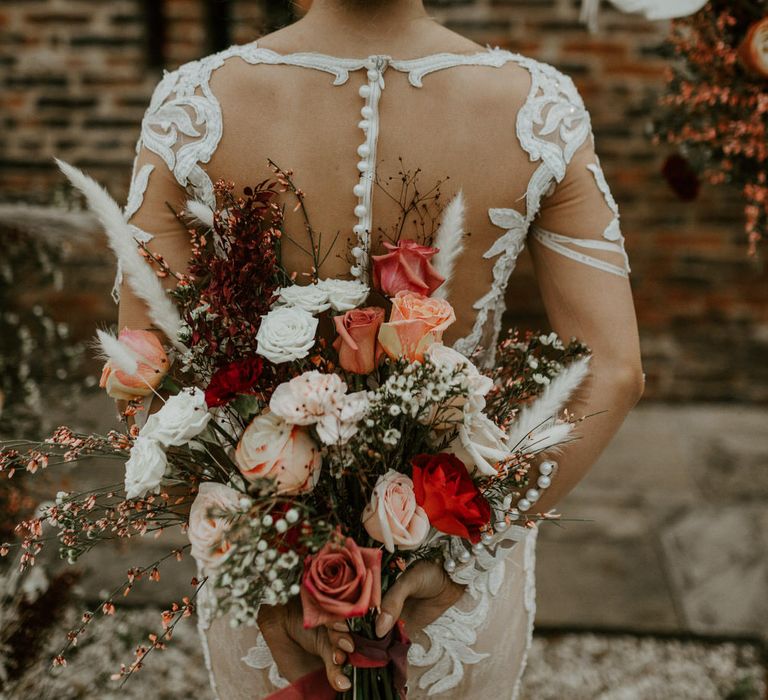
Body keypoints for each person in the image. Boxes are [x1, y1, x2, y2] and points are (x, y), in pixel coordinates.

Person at [116, 0, 644, 696]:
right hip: (451, 572)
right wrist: (461, 552)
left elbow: (143, 372)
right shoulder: (535, 107)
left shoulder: (195, 104)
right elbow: (614, 371)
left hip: (268, 575)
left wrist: (266, 571)